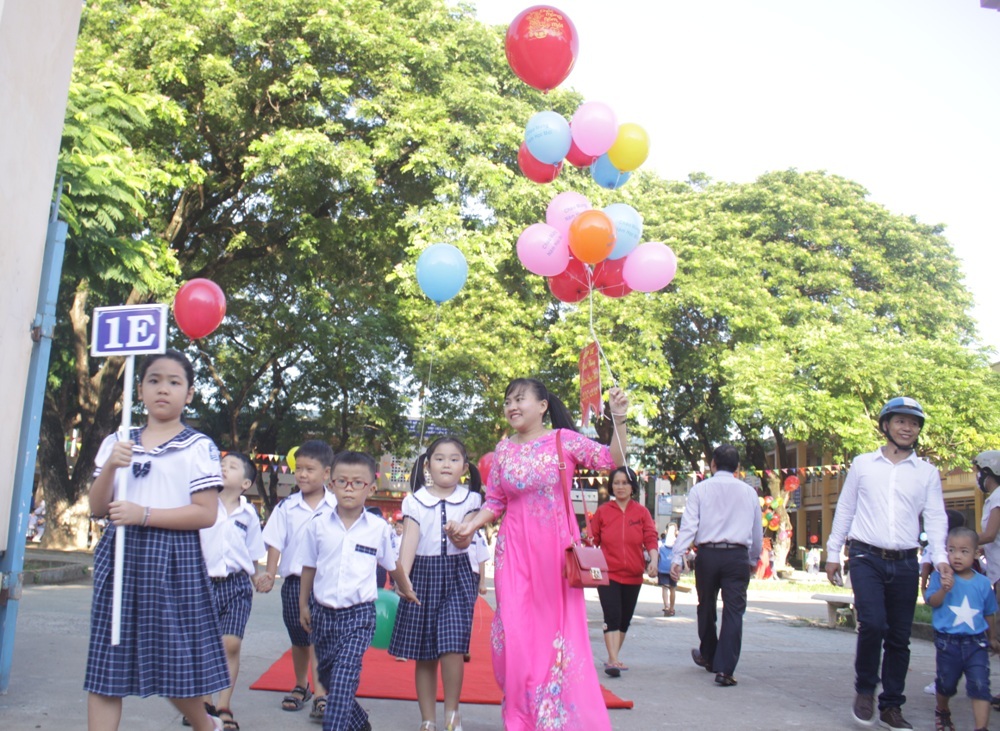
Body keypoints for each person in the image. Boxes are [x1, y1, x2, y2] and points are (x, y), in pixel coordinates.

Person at [451, 377, 629, 731]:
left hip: (555, 555)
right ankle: (519, 715)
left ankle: (553, 715)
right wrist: (470, 526)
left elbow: (612, 460)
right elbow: (496, 501)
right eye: (507, 402)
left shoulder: (563, 441)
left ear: (542, 405)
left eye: (520, 400)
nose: (512, 407)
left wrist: (619, 420)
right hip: (513, 551)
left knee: (553, 636)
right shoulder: (503, 450)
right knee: (513, 634)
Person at [84, 349, 228, 731]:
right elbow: (98, 507)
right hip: (119, 555)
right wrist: (113, 464)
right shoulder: (119, 440)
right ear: (140, 388)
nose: (163, 389)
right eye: (154, 380)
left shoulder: (199, 447)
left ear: (189, 393)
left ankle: (206, 725)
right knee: (106, 664)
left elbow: (205, 513)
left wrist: (144, 515)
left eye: (174, 382)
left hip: (172, 558)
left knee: (172, 663)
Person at [825, 396, 949, 730]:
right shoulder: (863, 464)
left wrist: (940, 559)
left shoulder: (926, 473)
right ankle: (865, 689)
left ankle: (892, 705)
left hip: (906, 562)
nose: (908, 428)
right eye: (900, 421)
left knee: (898, 637)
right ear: (886, 426)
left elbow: (935, 517)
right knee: (874, 624)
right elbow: (846, 509)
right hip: (866, 557)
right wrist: (833, 553)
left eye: (914, 423)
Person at [299, 451, 419, 731]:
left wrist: (406, 589)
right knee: (330, 679)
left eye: (357, 483)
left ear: (371, 488)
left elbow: (393, 565)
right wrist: (304, 605)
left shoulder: (378, 529)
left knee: (343, 679)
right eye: (342, 482)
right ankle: (360, 723)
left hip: (359, 616)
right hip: (323, 616)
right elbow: (308, 567)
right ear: (331, 485)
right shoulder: (318, 525)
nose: (349, 488)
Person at [389, 437, 484, 731]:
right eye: (439, 458)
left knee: (454, 644)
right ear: (428, 465)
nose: (447, 464)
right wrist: (402, 579)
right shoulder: (414, 500)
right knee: (425, 651)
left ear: (465, 467)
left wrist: (460, 532)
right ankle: (428, 719)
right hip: (423, 574)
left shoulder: (472, 499)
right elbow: (409, 540)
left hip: (459, 575)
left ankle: (452, 714)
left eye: (454, 459)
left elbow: (467, 534)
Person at [669, 444, 763, 688]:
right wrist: (753, 559)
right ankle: (725, 669)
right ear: (738, 467)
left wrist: (677, 557)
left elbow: (689, 526)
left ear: (712, 464)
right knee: (734, 612)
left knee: (706, 606)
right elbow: (756, 531)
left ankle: (709, 654)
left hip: (708, 555)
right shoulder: (749, 492)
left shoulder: (700, 490)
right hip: (737, 556)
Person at [258, 439, 336, 720]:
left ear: (326, 473)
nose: (302, 474)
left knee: (322, 638)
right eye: (299, 469)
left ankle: (323, 693)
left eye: (310, 469)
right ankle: (301, 685)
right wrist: (270, 572)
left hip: (326, 583)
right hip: (292, 583)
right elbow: (275, 542)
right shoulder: (287, 506)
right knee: (300, 638)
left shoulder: (337, 505)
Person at [195, 452, 265, 731]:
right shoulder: (202, 504)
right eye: (221, 465)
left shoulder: (249, 514)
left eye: (232, 467)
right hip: (201, 583)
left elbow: (253, 554)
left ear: (245, 483)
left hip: (236, 585)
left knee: (231, 645)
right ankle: (203, 705)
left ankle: (223, 704)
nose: (224, 469)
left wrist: (259, 577)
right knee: (202, 645)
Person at [925, 527, 1000, 731]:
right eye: (952, 550)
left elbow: (989, 612)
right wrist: (943, 589)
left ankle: (981, 727)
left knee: (980, 685)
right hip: (948, 642)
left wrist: (992, 637)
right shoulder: (939, 576)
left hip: (976, 642)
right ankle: (942, 710)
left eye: (964, 551)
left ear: (976, 553)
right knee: (946, 683)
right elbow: (932, 601)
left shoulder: (983, 583)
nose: (957, 556)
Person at [590, 465, 658, 677]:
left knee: (624, 619)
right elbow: (592, 540)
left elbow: (650, 538)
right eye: (617, 483)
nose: (620, 487)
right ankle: (612, 660)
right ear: (611, 486)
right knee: (612, 615)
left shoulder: (642, 512)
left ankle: (613, 657)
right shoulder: (603, 512)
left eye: (625, 483)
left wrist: (653, 560)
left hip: (633, 575)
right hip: (607, 573)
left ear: (632, 486)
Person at [973, 451, 1000, 711]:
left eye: (978, 472)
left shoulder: (998, 497)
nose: (977, 477)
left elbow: (990, 534)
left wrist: (962, 543)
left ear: (987, 473)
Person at [658, 525, 679, 616]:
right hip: (673, 568)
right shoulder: (678, 543)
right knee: (673, 589)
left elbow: (657, 555)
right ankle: (672, 608)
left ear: (666, 531)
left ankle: (666, 606)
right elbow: (681, 555)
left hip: (662, 568)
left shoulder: (660, 543)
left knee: (665, 588)